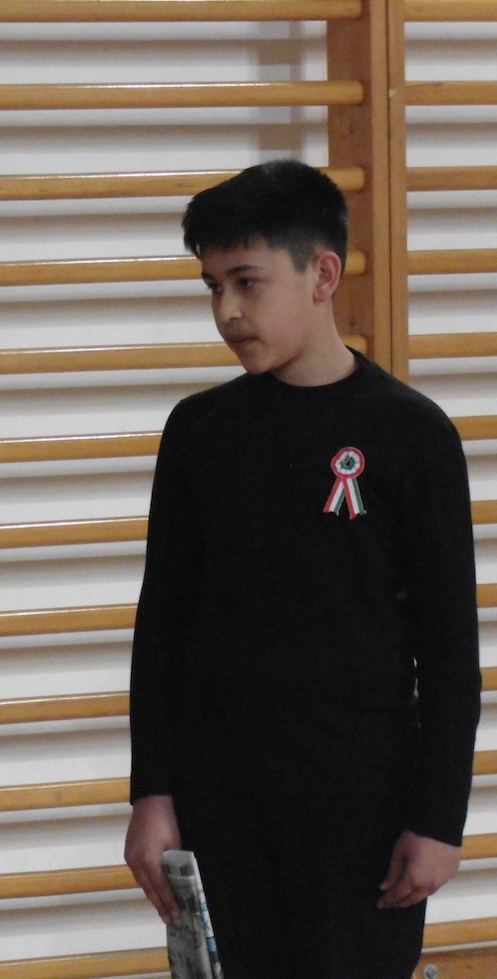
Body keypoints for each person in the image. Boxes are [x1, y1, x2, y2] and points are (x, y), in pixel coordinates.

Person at [123, 160, 481, 978]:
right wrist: (152, 791)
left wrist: (438, 819)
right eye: (213, 286)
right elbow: (162, 626)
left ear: (322, 275)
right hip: (223, 805)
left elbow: (449, 650)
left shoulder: (413, 436)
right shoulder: (200, 433)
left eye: (247, 282)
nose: (227, 310)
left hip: (363, 812)